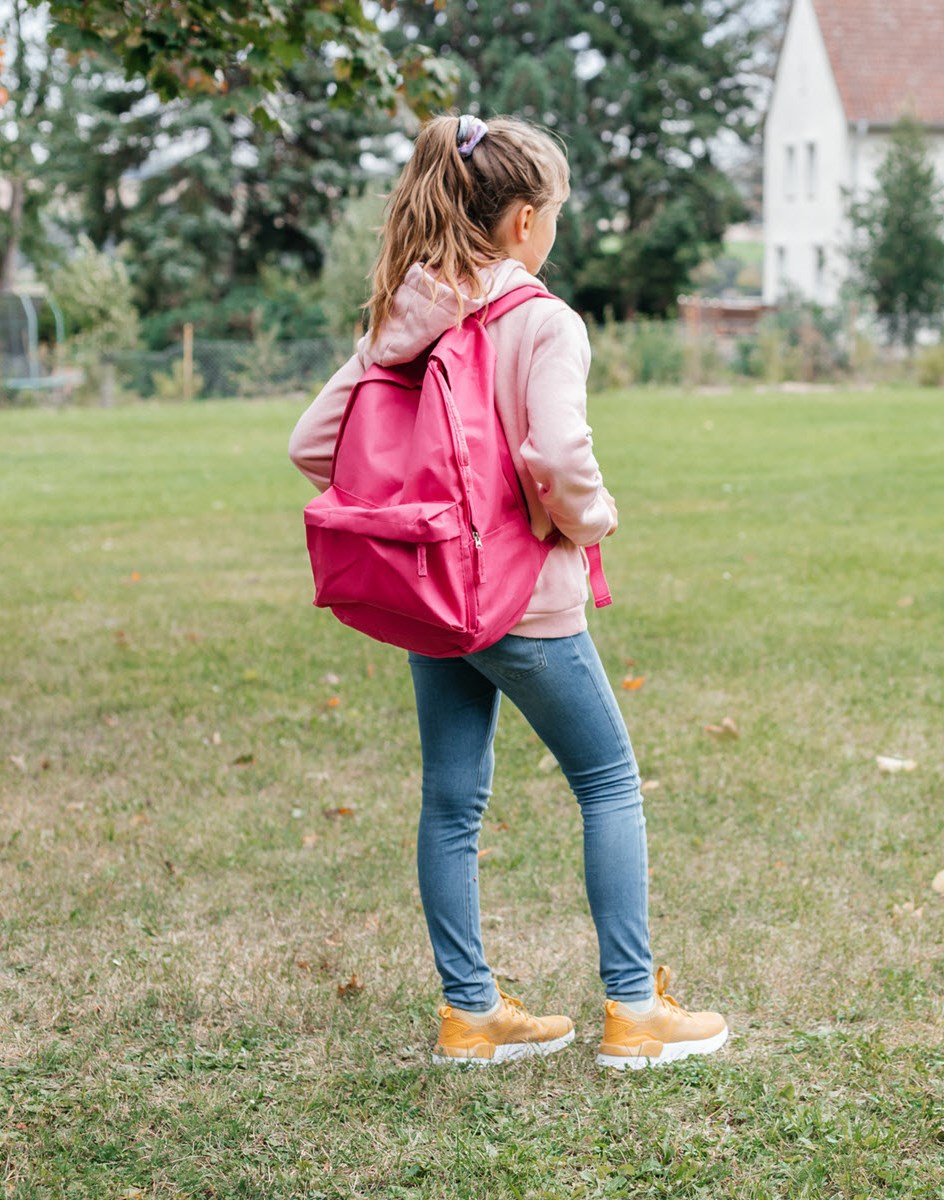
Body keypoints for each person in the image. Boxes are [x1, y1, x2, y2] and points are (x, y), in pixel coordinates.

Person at [288, 113, 727, 1071]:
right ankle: (632, 1009)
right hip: (525, 604)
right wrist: (594, 518)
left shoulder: (407, 321)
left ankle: (472, 1013)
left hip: (433, 598)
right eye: (557, 212)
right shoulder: (543, 320)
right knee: (608, 783)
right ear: (527, 220)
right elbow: (560, 456)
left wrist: (394, 388)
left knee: (451, 803)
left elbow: (313, 446)